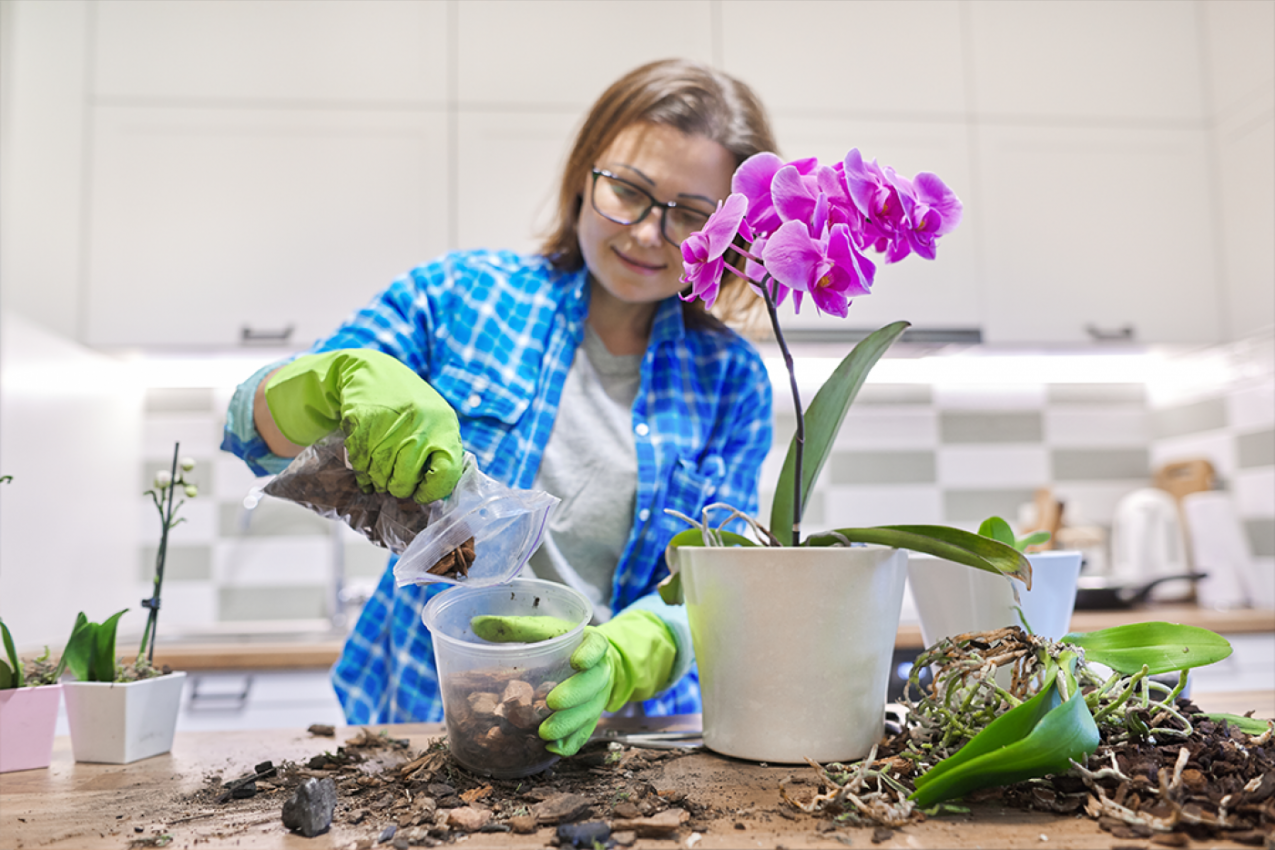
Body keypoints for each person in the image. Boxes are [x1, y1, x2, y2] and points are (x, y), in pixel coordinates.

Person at [221, 58, 777, 755]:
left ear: (726, 235)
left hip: (621, 740)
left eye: (689, 215)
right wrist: (334, 380)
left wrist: (628, 654)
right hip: (423, 722)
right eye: (629, 191)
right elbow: (249, 429)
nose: (645, 233)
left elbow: (717, 582)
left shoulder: (733, 381)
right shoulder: (459, 297)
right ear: (584, 174)